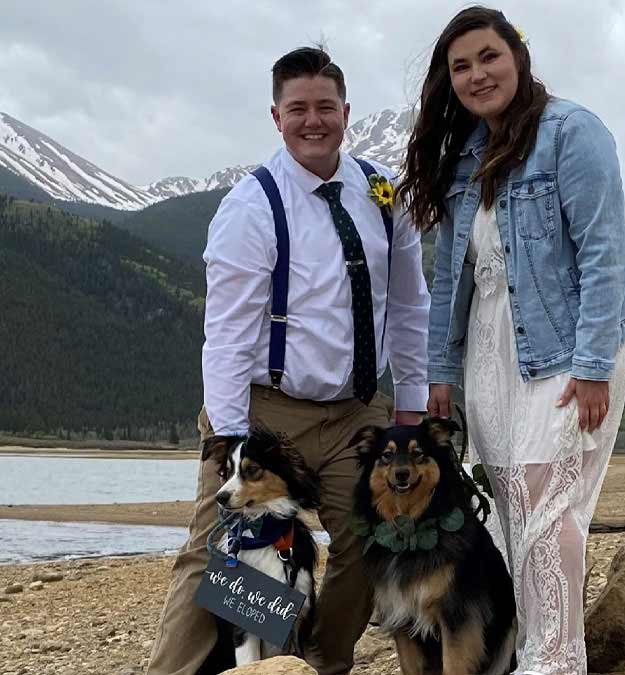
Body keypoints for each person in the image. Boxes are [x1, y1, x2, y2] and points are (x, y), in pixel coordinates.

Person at [146, 46, 429, 675]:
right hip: (269, 411)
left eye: (325, 107)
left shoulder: (385, 195)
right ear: (276, 116)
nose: (312, 120)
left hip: (358, 408)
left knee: (374, 536)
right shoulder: (251, 207)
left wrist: (409, 405)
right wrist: (227, 434)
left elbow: (411, 307)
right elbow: (225, 333)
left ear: (345, 112)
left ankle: (313, 663)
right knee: (226, 548)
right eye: (297, 108)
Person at [396, 7, 625, 674]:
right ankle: (528, 649)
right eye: (461, 65)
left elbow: (603, 252)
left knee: (548, 503)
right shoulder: (464, 159)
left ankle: (557, 661)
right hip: (490, 348)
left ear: (519, 55)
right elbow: (453, 277)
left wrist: (593, 365)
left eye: (489, 56)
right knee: (509, 505)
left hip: (568, 345)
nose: (477, 73)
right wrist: (440, 374)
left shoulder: (573, 132)